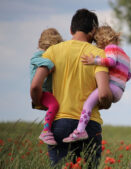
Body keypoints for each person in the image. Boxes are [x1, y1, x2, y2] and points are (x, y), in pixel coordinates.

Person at [30, 8, 113, 168]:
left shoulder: (52, 51)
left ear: (71, 30)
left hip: (59, 124)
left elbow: (35, 86)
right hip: (89, 125)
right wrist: (107, 102)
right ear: (93, 31)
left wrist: (39, 102)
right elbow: (103, 93)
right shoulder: (98, 55)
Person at [63, 25, 131, 143]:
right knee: (94, 103)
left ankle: (80, 131)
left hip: (112, 87)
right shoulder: (125, 55)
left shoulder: (110, 47)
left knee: (88, 104)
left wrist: (94, 61)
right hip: (120, 90)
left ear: (102, 39)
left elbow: (111, 61)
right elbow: (129, 75)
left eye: (96, 42)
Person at [30, 28, 63, 145]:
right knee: (54, 105)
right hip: (42, 91)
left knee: (54, 105)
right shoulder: (40, 55)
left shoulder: (46, 54)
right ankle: (45, 131)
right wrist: (50, 64)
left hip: (47, 91)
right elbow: (34, 60)